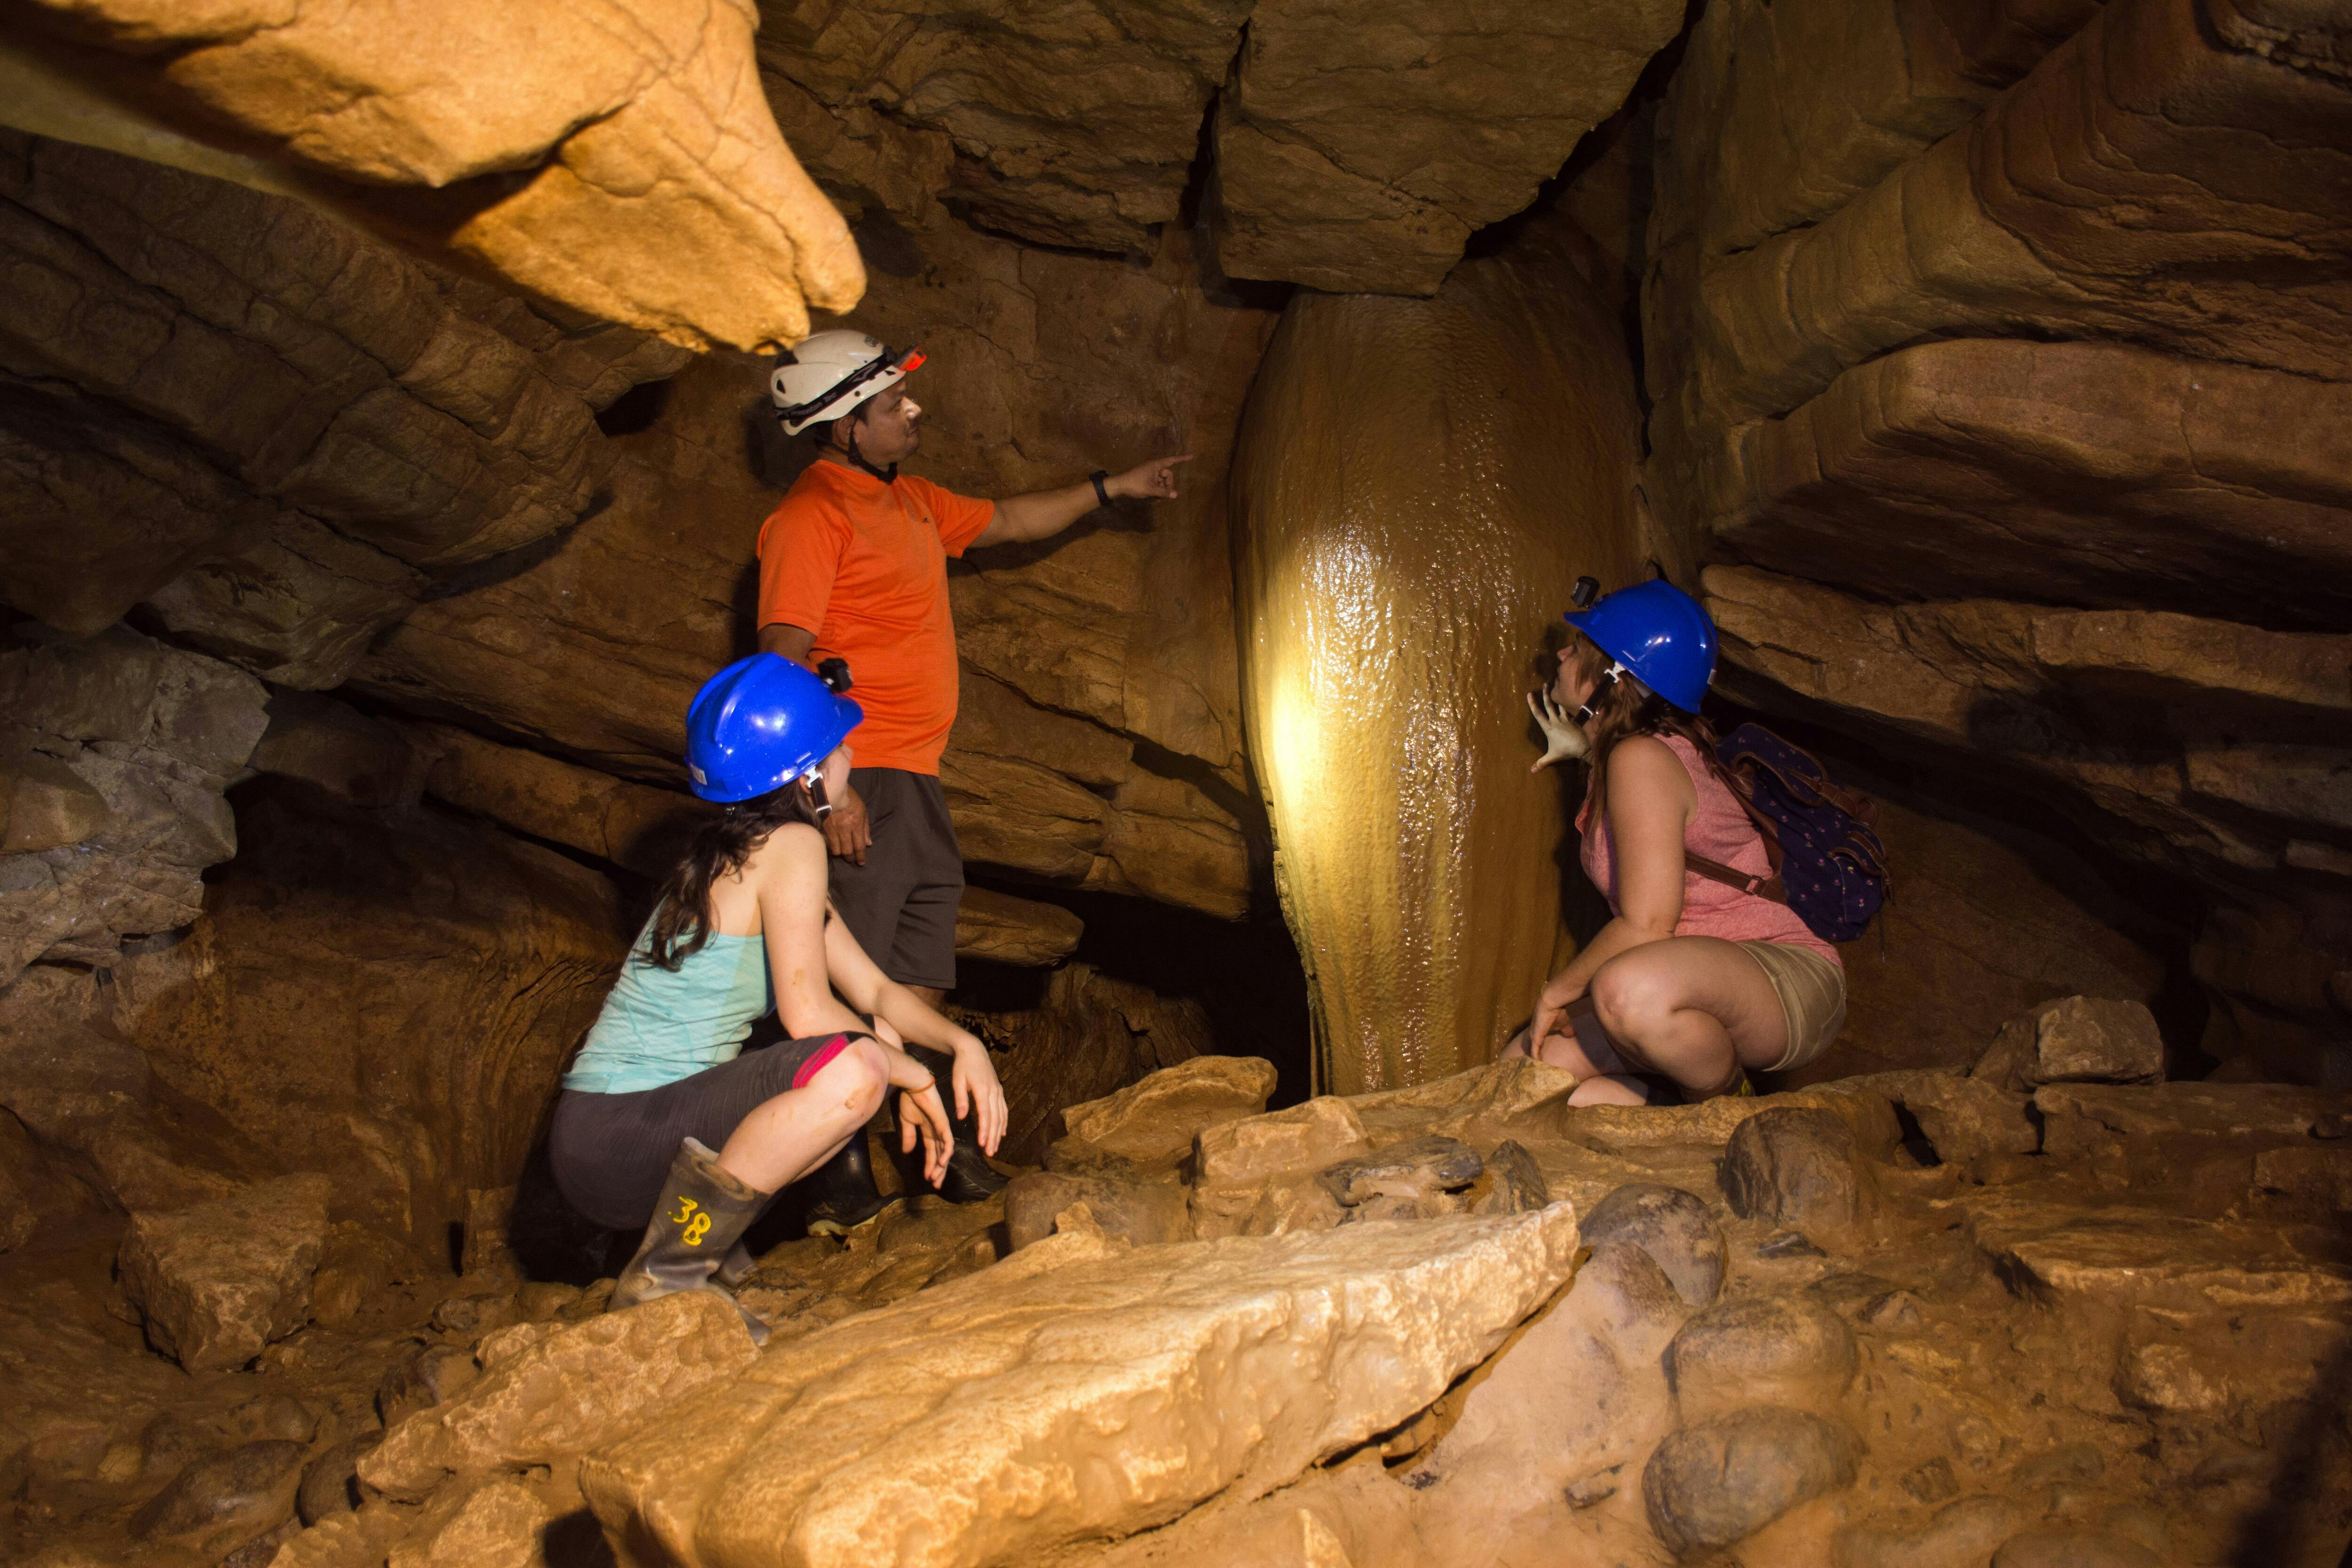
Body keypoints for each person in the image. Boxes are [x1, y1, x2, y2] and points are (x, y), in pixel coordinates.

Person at [753, 330, 1189, 1213]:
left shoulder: (910, 501)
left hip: (916, 775)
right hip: (857, 774)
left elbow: (1013, 519)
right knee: (851, 980)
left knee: (920, 972)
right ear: (842, 429)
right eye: (889, 406)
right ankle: (832, 1169)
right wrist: (822, 793)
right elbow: (779, 659)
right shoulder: (812, 516)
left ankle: (926, 1144)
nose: (911, 411)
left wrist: (1114, 487)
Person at [547, 653, 1009, 1337]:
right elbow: (809, 1014)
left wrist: (960, 1044)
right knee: (857, 1069)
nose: (850, 752)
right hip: (621, 1135)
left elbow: (876, 987)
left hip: (607, 1141)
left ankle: (706, 1256)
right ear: (810, 773)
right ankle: (670, 1276)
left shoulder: (749, 850)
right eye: (838, 744)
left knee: (865, 1054)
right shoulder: (794, 845)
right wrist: (910, 1076)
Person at [1505, 580, 1845, 1106]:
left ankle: (1722, 1105)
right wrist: (1587, 754)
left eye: (1582, 649)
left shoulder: (1640, 759)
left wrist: (1557, 990)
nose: (1562, 652)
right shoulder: (1630, 756)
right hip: (1681, 979)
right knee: (1526, 1070)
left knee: (1625, 993)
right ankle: (1664, 1105)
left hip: (1782, 976)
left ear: (1615, 677)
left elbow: (1647, 923)